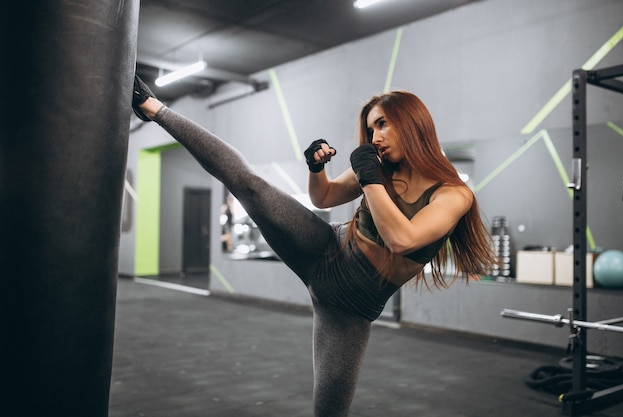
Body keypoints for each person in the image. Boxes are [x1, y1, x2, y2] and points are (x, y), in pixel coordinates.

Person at [131, 75, 497, 416]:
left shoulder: (453, 194)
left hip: (350, 306)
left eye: (383, 123)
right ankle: (152, 107)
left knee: (329, 410)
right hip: (324, 247)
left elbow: (403, 240)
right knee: (249, 184)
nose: (375, 137)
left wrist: (370, 177)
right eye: (371, 128)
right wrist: (315, 168)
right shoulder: (377, 167)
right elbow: (323, 199)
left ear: (413, 122)